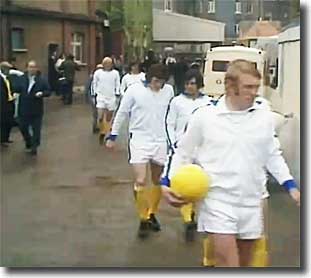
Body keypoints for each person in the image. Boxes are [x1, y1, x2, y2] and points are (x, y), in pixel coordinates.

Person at [160, 59, 300, 267]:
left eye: (256, 87)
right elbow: (182, 152)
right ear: (230, 86)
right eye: (248, 87)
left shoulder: (263, 117)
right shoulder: (205, 117)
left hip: (252, 202)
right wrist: (166, 182)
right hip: (218, 201)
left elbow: (272, 153)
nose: (254, 92)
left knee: (245, 264)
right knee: (229, 263)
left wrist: (290, 185)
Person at [105, 64, 174, 239]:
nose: (159, 85)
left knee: (158, 180)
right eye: (156, 81)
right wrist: (112, 135)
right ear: (149, 78)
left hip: (160, 140)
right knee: (141, 180)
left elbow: (173, 116)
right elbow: (122, 113)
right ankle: (143, 219)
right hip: (139, 139)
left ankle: (152, 213)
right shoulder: (134, 90)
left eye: (162, 82)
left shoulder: (169, 91)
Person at [165, 69, 212, 242]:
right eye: (187, 83)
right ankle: (188, 219)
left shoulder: (208, 103)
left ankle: (197, 215)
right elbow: (169, 123)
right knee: (184, 185)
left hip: (201, 151)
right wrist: (173, 143)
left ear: (199, 85)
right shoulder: (176, 102)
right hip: (182, 149)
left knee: (199, 183)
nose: (189, 86)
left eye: (193, 83)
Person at [16, 60, 51, 155]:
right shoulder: (22, 78)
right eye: (30, 67)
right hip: (23, 108)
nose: (32, 69)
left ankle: (34, 147)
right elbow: (16, 88)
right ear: (26, 68)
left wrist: (42, 93)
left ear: (37, 69)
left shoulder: (41, 80)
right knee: (23, 127)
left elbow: (48, 91)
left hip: (36, 109)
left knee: (36, 129)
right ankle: (28, 141)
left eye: (34, 67)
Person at [93, 57, 120, 144]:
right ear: (103, 64)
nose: (108, 65)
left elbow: (117, 84)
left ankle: (105, 133)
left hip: (111, 97)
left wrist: (117, 93)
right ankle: (102, 131)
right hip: (101, 97)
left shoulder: (115, 73)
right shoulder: (98, 73)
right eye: (106, 63)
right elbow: (94, 83)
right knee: (100, 116)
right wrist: (94, 94)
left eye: (109, 63)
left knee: (108, 118)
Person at [0, 61, 17, 147]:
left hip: (10, 102)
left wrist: (13, 94)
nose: (9, 71)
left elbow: (11, 88)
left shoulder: (8, 78)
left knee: (10, 121)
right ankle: (2, 139)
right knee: (3, 121)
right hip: (2, 104)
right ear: (3, 69)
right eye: (8, 69)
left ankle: (6, 137)